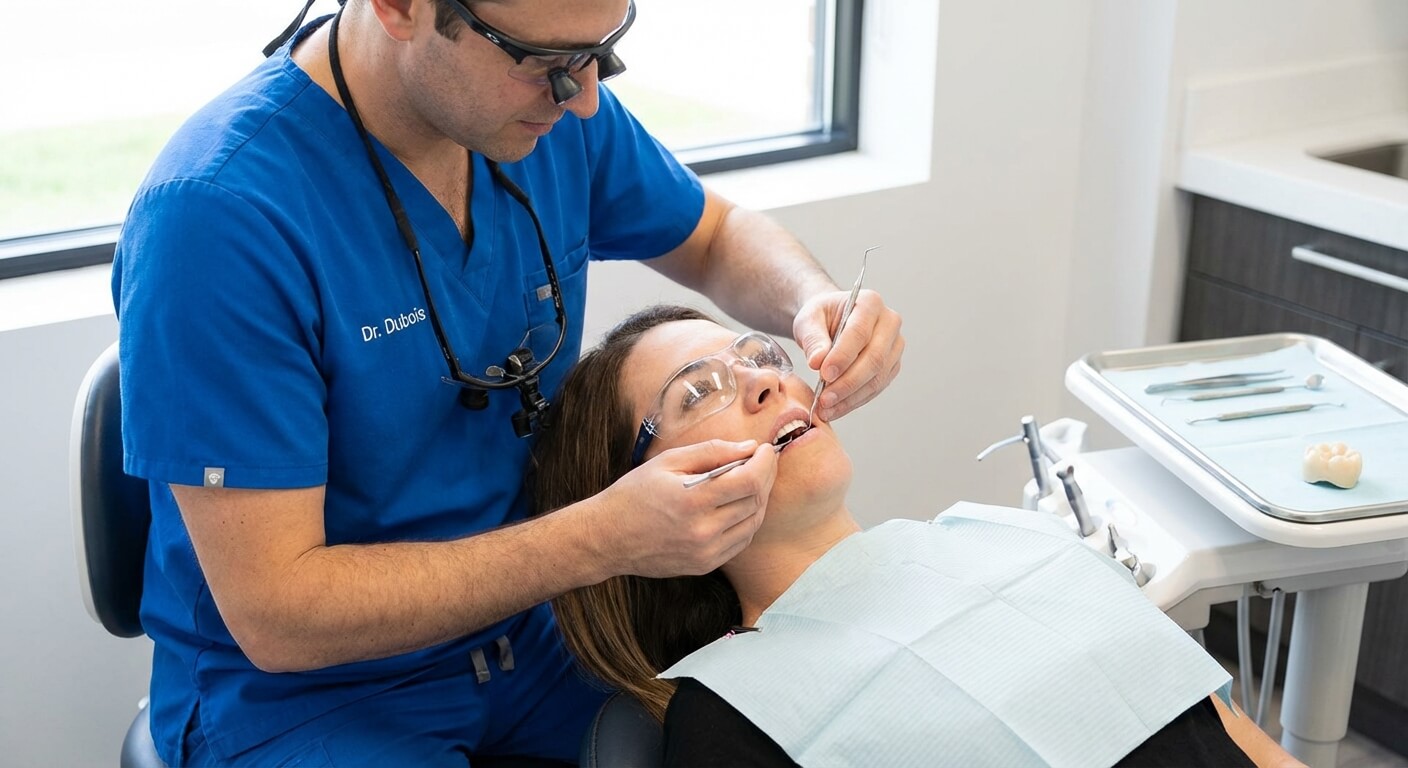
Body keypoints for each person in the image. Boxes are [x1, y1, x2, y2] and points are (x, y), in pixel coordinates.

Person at [111, 0, 905, 764]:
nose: (586, 99)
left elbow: (716, 236)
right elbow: (279, 615)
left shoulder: (539, 115)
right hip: (315, 693)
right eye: (548, 63)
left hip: (541, 630)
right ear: (400, 6)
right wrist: (603, 537)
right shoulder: (217, 221)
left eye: (602, 52)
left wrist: (811, 299)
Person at [530, 305, 1305, 768]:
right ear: (635, 500)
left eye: (760, 356)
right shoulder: (732, 717)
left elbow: (1247, 744)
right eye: (699, 392)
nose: (768, 380)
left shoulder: (1009, 541)